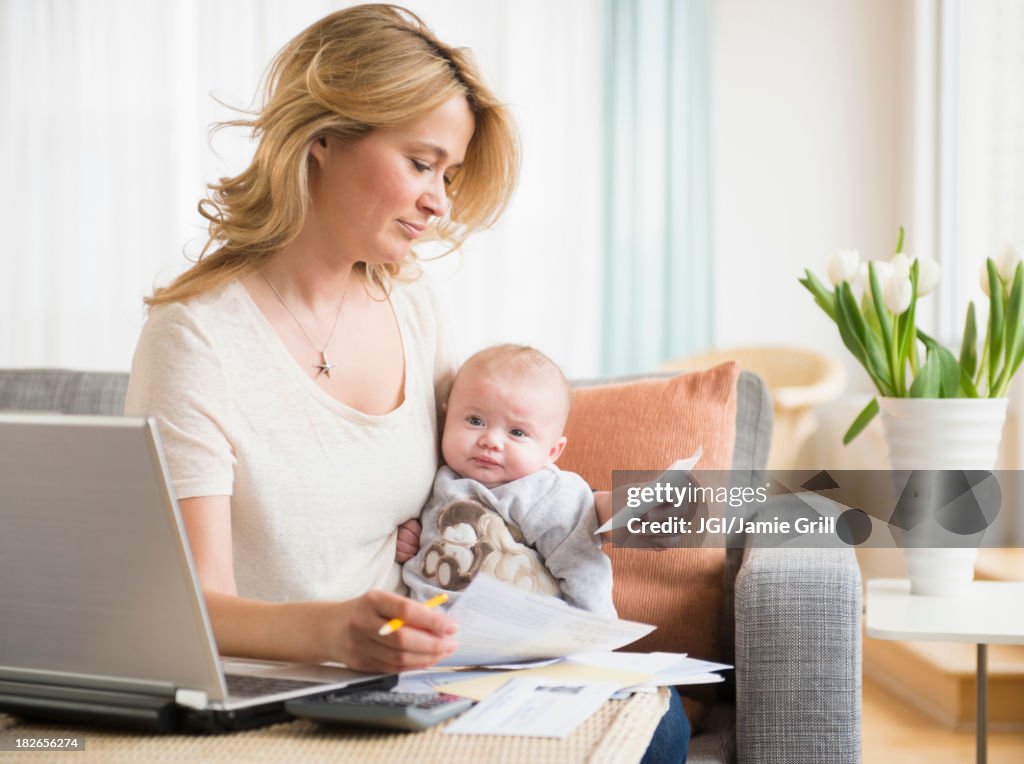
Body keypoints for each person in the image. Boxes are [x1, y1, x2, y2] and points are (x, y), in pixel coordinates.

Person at [124, 4, 688, 760]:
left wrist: (611, 509)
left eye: (448, 175)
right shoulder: (197, 337)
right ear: (322, 137)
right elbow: (195, 607)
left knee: (660, 721)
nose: (440, 201)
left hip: (420, 678)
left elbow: (485, 475)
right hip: (284, 696)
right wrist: (336, 628)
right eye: (421, 164)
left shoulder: (411, 305)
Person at [403, 344, 616, 616]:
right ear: (446, 419)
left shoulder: (545, 492)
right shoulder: (437, 476)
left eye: (517, 432)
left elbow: (580, 565)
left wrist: (593, 632)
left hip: (525, 631)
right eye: (475, 421)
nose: (490, 441)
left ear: (551, 452)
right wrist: (414, 541)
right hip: (438, 625)